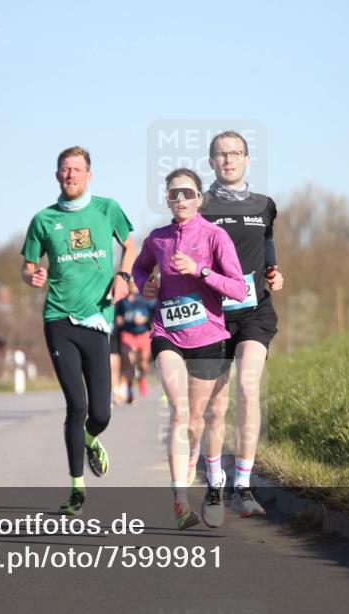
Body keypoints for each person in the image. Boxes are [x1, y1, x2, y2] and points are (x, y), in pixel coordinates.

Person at [21, 146, 136, 515]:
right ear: (57, 176)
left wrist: (123, 274)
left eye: (77, 169)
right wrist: (32, 275)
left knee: (101, 413)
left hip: (98, 322)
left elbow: (130, 246)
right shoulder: (43, 219)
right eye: (64, 169)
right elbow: (27, 266)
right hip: (58, 320)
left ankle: (91, 439)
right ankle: (77, 488)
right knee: (77, 404)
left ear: (89, 175)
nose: (70, 175)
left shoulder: (108, 209)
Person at [134, 168, 247, 530]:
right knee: (180, 414)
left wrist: (200, 271)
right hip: (166, 333)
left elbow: (238, 289)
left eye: (186, 193)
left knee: (197, 422)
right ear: (167, 200)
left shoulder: (216, 236)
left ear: (199, 198)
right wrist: (145, 287)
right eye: (173, 195)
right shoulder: (158, 239)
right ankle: (180, 500)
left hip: (208, 339)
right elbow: (139, 271)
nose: (180, 200)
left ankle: (211, 480)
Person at [200, 131, 285, 522]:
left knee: (249, 389)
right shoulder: (200, 205)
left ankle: (243, 486)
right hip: (212, 314)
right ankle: (215, 484)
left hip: (254, 312)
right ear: (212, 161)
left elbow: (267, 246)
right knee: (216, 406)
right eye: (221, 154)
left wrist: (274, 272)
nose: (228, 159)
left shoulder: (265, 205)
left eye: (235, 153)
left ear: (247, 159)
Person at [116, 284, 155, 402]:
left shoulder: (145, 299)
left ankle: (141, 377)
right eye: (130, 283)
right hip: (128, 334)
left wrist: (145, 320)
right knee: (129, 362)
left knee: (143, 362)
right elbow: (118, 316)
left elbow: (155, 313)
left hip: (143, 334)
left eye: (135, 283)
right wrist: (119, 319)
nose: (133, 285)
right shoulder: (122, 301)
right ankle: (129, 389)